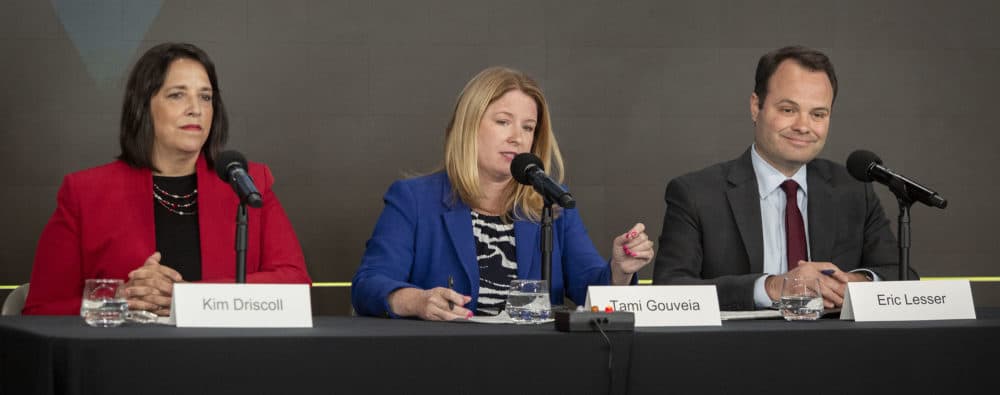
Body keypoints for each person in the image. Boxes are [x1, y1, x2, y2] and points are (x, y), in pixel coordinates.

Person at [22, 43, 311, 316]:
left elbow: (296, 285)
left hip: (228, 358)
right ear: (143, 106)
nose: (195, 108)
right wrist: (120, 299)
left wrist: (189, 298)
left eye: (205, 97)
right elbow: (42, 309)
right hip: (123, 361)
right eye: (177, 95)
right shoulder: (85, 193)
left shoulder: (248, 183)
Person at [352, 66, 654, 320]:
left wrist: (619, 271)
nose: (517, 137)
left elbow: (589, 288)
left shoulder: (552, 201)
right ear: (469, 126)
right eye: (503, 122)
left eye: (528, 127)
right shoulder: (414, 199)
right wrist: (416, 301)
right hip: (443, 361)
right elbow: (368, 285)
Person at [652, 46, 917, 311]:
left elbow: (902, 275)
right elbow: (669, 289)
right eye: (789, 110)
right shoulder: (696, 193)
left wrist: (852, 283)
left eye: (818, 114)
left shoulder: (854, 190)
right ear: (756, 107)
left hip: (836, 348)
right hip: (735, 350)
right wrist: (771, 287)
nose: (803, 126)